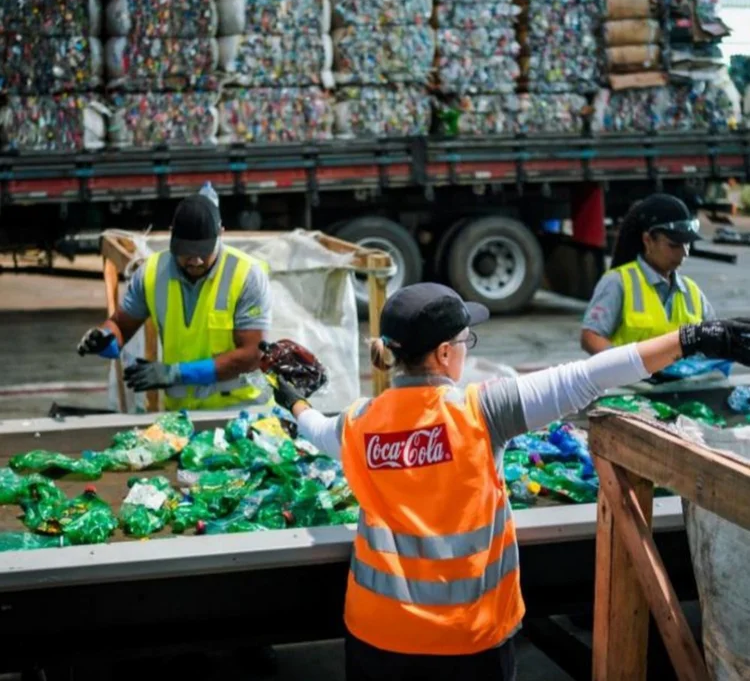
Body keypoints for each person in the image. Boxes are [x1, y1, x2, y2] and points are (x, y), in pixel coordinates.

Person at [270, 282, 750, 681]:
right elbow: (587, 377)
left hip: (376, 639)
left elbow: (316, 430)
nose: (465, 349)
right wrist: (692, 338)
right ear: (442, 354)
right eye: (465, 340)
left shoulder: (358, 422)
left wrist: (293, 402)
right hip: (467, 642)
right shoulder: (482, 412)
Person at [77, 186, 272, 409]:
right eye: (187, 252)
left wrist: (175, 373)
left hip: (242, 413)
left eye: (203, 251)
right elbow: (120, 326)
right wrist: (104, 339)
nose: (196, 261)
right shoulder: (151, 274)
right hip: (183, 419)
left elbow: (253, 354)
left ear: (221, 234)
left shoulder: (246, 275)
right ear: (172, 235)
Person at [581, 193, 715, 356]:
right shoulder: (618, 282)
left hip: (683, 380)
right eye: (674, 245)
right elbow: (591, 337)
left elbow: (714, 335)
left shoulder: (692, 292)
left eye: (687, 244)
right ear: (648, 240)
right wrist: (626, 365)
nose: (684, 253)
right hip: (630, 381)